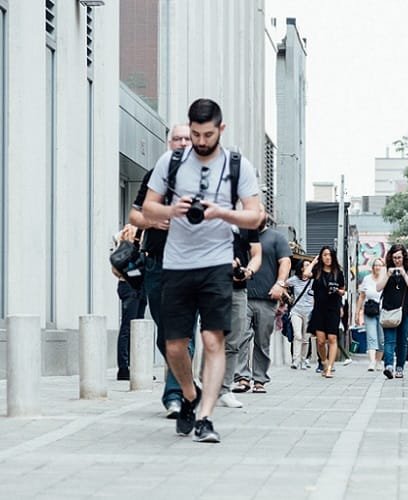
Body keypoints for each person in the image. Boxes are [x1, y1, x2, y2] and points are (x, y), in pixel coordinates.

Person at [143, 98, 263, 443]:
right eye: (195, 134)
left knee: (213, 340)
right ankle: (190, 395)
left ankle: (206, 417)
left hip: (216, 263)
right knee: (175, 346)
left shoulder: (239, 166)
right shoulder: (172, 161)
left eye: (207, 134)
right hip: (177, 263)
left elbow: (255, 216)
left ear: (220, 129)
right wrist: (170, 209)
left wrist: (221, 213)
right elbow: (148, 207)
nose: (200, 141)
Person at [129, 124, 192, 418]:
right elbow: (134, 215)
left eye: (186, 139)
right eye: (176, 138)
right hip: (156, 262)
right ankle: (184, 379)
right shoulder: (155, 176)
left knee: (183, 332)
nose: (181, 143)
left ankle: (175, 395)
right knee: (165, 333)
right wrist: (152, 222)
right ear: (169, 143)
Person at [240, 219, 292, 392]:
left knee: (262, 341)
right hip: (242, 295)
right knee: (241, 338)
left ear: (265, 217)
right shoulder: (241, 235)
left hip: (267, 298)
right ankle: (242, 378)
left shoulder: (277, 237)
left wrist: (280, 284)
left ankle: (259, 379)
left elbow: (285, 262)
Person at [217, 224, 262, 408]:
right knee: (212, 338)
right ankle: (205, 386)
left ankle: (225, 390)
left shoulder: (245, 221)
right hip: (211, 285)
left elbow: (257, 254)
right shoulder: (208, 214)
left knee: (234, 340)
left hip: (238, 289)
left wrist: (248, 271)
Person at [376, 244, 408, 379]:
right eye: (394, 257)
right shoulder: (385, 270)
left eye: (399, 257)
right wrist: (387, 275)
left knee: (402, 340)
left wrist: (404, 274)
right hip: (389, 310)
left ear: (404, 257)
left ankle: (400, 367)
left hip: (405, 311)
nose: (397, 260)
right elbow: (378, 288)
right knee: (389, 340)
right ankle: (388, 366)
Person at [112, 224, 148, 381]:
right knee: (128, 327)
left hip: (139, 286)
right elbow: (117, 266)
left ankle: (136, 367)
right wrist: (134, 274)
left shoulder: (146, 233)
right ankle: (124, 368)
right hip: (129, 286)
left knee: (138, 327)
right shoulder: (126, 234)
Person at [304, 246, 346, 378]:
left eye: (330, 255)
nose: (328, 257)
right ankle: (324, 361)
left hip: (333, 308)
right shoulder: (317, 271)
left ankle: (330, 368)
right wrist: (314, 262)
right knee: (321, 341)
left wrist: (338, 291)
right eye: (325, 255)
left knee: (332, 338)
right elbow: (305, 274)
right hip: (319, 309)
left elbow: (343, 290)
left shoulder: (338, 272)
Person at [356, 258, 385, 371]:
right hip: (369, 311)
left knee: (382, 339)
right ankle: (372, 362)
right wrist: (357, 312)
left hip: (383, 311)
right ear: (372, 267)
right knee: (371, 336)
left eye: (380, 265)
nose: (378, 267)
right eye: (376, 265)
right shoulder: (367, 279)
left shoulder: (385, 279)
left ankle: (378, 361)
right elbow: (362, 296)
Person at [287, 260, 314, 369]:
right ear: (302, 268)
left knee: (306, 338)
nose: (309, 267)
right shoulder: (295, 279)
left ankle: (303, 360)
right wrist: (288, 297)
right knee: (297, 335)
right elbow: (282, 284)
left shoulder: (313, 281)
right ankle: (295, 360)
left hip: (309, 311)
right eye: (307, 265)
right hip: (296, 311)